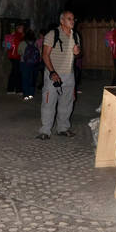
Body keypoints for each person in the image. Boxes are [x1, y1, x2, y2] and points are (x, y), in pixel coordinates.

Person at [39, 10, 84, 140]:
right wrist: (52, 72)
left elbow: (79, 55)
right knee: (49, 102)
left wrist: (77, 52)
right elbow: (45, 55)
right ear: (62, 21)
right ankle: (45, 130)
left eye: (73, 19)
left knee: (67, 103)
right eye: (69, 18)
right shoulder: (52, 34)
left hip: (69, 75)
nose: (72, 21)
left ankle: (63, 128)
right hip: (53, 74)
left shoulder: (75, 36)